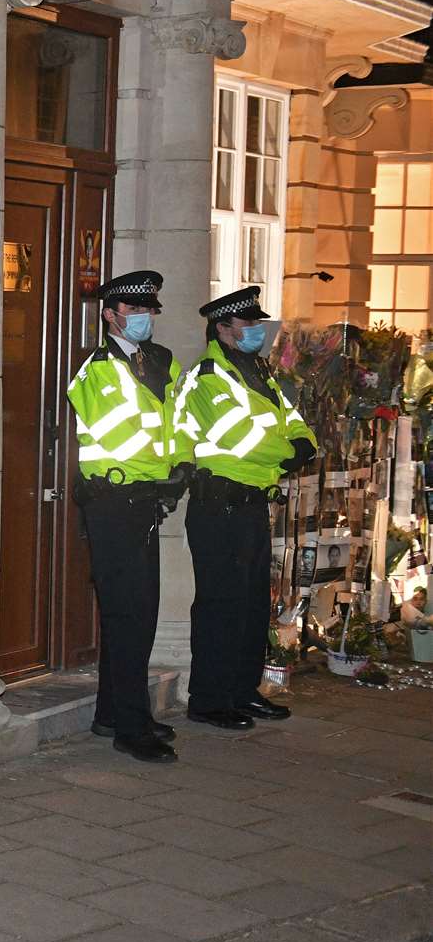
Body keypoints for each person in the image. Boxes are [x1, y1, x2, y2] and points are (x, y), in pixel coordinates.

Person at [174, 286, 315, 729]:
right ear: (223, 328)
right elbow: (240, 435)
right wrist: (288, 453)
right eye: (249, 323)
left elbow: (293, 420)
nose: (257, 330)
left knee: (253, 605)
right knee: (221, 605)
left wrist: (303, 443)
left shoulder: (256, 370)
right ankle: (210, 699)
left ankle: (242, 691)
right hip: (220, 506)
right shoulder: (209, 375)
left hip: (253, 506)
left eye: (257, 322)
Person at [66, 271, 183, 763]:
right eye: (133, 312)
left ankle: (113, 712)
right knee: (127, 613)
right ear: (109, 315)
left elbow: (177, 423)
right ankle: (129, 727)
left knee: (141, 610)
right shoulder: (97, 368)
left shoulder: (159, 362)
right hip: (114, 499)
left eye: (149, 311)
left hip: (146, 499)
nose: (143, 319)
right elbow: (119, 433)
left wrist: (183, 466)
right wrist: (162, 472)